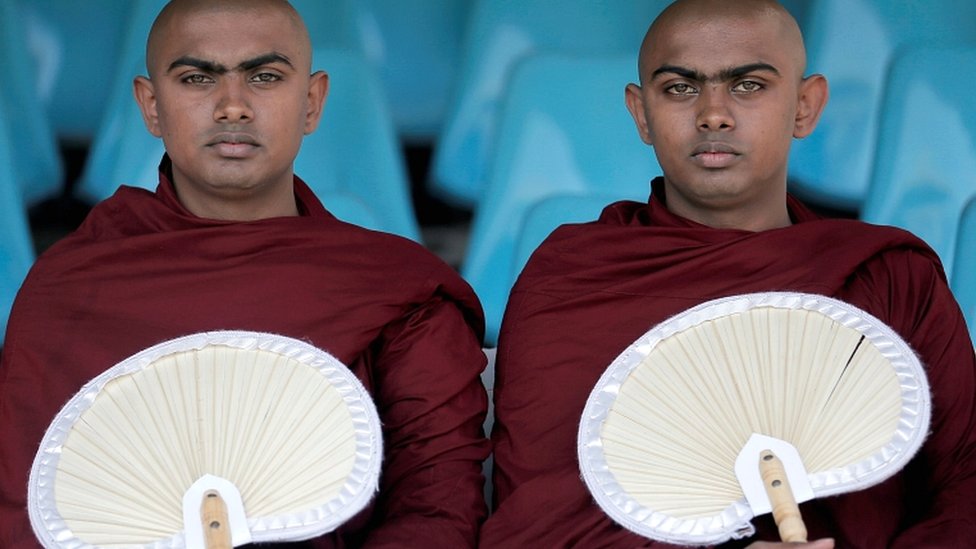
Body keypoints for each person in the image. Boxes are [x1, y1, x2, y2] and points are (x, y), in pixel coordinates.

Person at [480, 0, 976, 547]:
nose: (713, 114)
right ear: (641, 113)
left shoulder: (888, 278)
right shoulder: (574, 277)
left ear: (805, 106)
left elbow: (964, 483)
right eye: (680, 88)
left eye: (748, 86)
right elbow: (538, 518)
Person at [0, 1, 490, 547]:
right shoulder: (74, 286)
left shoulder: (394, 287)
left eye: (264, 77)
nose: (232, 106)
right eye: (196, 78)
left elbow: (437, 506)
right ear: (151, 106)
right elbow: (27, 506)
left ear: (311, 102)